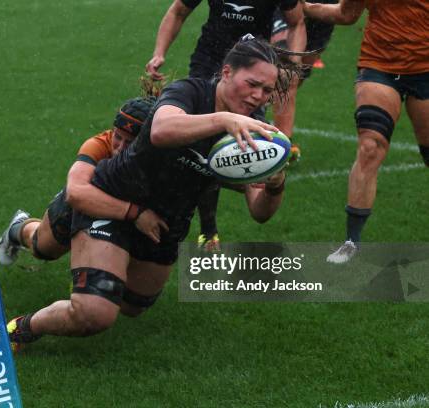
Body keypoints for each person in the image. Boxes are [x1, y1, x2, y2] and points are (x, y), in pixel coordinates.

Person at [6, 37, 299, 350]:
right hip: (116, 199)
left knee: (133, 305)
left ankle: (96, 272)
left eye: (267, 91)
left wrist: (274, 183)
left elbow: (260, 211)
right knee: (94, 313)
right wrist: (224, 119)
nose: (258, 96)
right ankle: (20, 328)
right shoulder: (189, 92)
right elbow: (161, 131)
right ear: (227, 72)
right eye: (252, 84)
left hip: (165, 225)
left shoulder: (253, 130)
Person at [145, 0, 307, 251]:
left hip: (254, 66)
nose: (264, 94)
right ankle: (206, 227)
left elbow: (296, 22)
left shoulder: (256, 91)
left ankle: (202, 227)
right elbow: (178, 11)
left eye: (268, 91)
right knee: (195, 135)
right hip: (209, 61)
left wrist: (292, 68)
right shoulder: (192, 91)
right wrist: (159, 51)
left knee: (227, 148)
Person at [302, 1, 429, 263]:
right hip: (379, 66)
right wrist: (302, 6)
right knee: (370, 147)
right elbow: (346, 14)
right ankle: (352, 242)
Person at [0, 96, 161, 265]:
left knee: (139, 283)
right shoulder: (98, 144)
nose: (119, 147)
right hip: (90, 201)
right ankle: (18, 227)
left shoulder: (170, 156)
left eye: (129, 142)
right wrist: (135, 213)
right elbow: (75, 193)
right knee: (43, 249)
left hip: (131, 208)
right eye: (117, 137)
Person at [270, 0, 338, 161]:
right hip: (287, 6)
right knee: (287, 75)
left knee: (298, 75)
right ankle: (282, 147)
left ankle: (257, 112)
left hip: (323, 7)